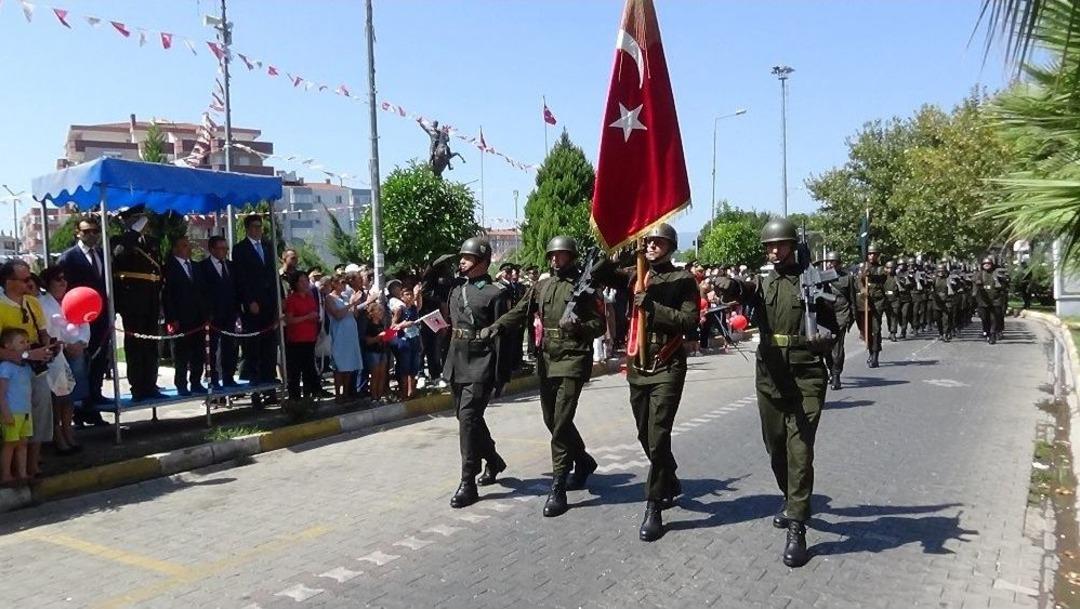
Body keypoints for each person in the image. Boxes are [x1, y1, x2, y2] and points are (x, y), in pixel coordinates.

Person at [713, 217, 840, 568]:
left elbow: (837, 319)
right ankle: (791, 499)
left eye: (779, 245)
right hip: (770, 372)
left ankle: (797, 525)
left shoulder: (813, 281)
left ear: (792, 246)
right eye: (769, 246)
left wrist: (827, 337)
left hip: (806, 373)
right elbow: (746, 290)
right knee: (775, 446)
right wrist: (730, 285)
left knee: (800, 448)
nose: (773, 251)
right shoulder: (765, 282)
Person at [482, 236, 605, 517]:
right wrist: (497, 327)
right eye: (552, 255)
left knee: (561, 423)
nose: (554, 260)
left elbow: (600, 325)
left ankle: (558, 485)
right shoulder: (542, 285)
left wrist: (579, 326)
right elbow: (519, 311)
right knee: (551, 420)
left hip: (573, 358)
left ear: (571, 257)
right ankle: (583, 461)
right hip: (547, 358)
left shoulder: (585, 288)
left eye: (560, 256)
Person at [594, 224, 699, 541]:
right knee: (644, 432)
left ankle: (654, 505)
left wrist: (651, 305)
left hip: (667, 361)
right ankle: (668, 474)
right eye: (649, 241)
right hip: (638, 362)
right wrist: (622, 249)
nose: (652, 246)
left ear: (670, 246)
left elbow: (690, 321)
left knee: (658, 433)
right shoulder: (634, 273)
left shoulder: (683, 279)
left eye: (658, 241)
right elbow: (600, 273)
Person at [444, 237, 512, 509]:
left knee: (469, 419)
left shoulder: (496, 293)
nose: (462, 261)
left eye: (468, 257)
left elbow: (503, 338)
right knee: (466, 418)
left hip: (481, 363)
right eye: (461, 257)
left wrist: (501, 374)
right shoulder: (455, 290)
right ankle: (493, 460)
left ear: (482, 262)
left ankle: (467, 481)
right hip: (457, 360)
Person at [0, 260, 58, 479]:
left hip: (35, 370)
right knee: (12, 421)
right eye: (24, 279)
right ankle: (10, 472)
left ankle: (32, 466)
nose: (29, 282)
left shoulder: (33, 303)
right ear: (9, 282)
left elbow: (42, 332)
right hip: (9, 375)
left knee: (39, 417)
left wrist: (48, 345)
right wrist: (26, 355)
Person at [57, 215, 110, 425]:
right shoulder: (69, 257)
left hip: (100, 317)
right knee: (80, 365)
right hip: (77, 320)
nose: (92, 235)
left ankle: (94, 402)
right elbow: (62, 289)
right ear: (77, 233)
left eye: (95, 231)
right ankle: (79, 411)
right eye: (87, 231)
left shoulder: (102, 255)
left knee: (98, 362)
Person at [112, 206, 164, 401]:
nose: (143, 222)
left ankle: (150, 384)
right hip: (132, 301)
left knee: (151, 345)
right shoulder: (120, 241)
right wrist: (132, 233)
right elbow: (119, 255)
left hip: (151, 298)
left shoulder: (151, 242)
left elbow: (157, 272)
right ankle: (138, 386)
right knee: (135, 345)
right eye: (137, 219)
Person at [232, 214, 280, 407]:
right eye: (255, 226)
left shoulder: (268, 247)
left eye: (260, 226)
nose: (258, 230)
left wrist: (279, 301)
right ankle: (255, 391)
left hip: (269, 304)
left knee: (269, 349)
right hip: (253, 306)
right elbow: (241, 278)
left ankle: (269, 388)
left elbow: (273, 274)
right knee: (253, 350)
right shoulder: (240, 249)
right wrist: (249, 300)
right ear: (247, 228)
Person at [39, 267, 87, 454]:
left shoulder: (73, 299)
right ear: (48, 282)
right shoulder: (42, 303)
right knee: (57, 399)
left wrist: (81, 342)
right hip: (55, 355)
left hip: (75, 353)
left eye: (65, 279)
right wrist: (67, 344)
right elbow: (48, 331)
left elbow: (84, 323)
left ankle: (69, 430)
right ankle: (58, 435)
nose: (62, 282)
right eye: (58, 279)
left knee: (70, 398)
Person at [162, 236, 208, 396]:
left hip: (198, 318)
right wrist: (171, 318)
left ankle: (196, 382)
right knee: (181, 354)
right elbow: (167, 296)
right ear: (175, 249)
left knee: (198, 352)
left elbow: (203, 291)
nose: (188, 249)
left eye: (189, 246)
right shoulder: (169, 268)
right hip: (180, 319)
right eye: (184, 246)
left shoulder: (195, 267)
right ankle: (181, 384)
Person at [199, 236, 240, 389]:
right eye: (220, 248)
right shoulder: (203, 267)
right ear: (212, 249)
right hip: (212, 315)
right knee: (212, 348)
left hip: (229, 313)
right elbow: (202, 293)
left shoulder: (231, 266)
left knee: (230, 347)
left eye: (225, 248)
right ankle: (213, 378)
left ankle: (229, 376)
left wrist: (237, 312)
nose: (224, 251)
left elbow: (235, 289)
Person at [0, 328, 34, 486]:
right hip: (12, 412)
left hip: (25, 411)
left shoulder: (26, 367)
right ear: (7, 346)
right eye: (21, 342)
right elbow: (1, 392)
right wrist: (5, 412)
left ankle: (22, 473)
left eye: (27, 342)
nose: (26, 345)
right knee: (10, 444)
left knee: (23, 443)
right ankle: (6, 474)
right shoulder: (5, 367)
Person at [282, 271, 321, 400]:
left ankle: (309, 395)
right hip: (296, 340)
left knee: (309, 369)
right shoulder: (292, 299)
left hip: (310, 338)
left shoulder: (310, 298)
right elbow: (289, 320)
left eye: (306, 281)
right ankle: (295, 398)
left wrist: (314, 318)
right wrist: (306, 317)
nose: (305, 284)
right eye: (301, 281)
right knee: (295, 370)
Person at [325, 276, 363, 402]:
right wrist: (352, 303)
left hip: (350, 334)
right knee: (339, 365)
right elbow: (337, 315)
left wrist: (355, 304)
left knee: (349, 364)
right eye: (341, 283)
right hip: (339, 334)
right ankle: (338, 394)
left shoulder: (346, 297)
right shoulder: (329, 298)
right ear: (334, 284)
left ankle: (346, 392)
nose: (343, 286)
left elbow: (354, 314)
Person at [820, 252, 854, 390]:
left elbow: (852, 298)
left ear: (839, 263)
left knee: (837, 348)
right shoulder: (821, 277)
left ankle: (836, 375)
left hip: (842, 314)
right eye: (828, 261)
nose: (829, 264)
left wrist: (853, 317)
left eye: (833, 261)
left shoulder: (847, 278)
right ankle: (830, 370)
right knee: (826, 347)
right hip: (826, 314)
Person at [854, 243, 887, 368]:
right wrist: (862, 287)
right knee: (866, 330)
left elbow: (882, 279)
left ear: (878, 255)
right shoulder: (863, 267)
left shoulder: (881, 269)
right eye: (870, 254)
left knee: (876, 329)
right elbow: (858, 281)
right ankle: (870, 351)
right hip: (865, 302)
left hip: (877, 301)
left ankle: (875, 355)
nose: (871, 256)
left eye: (874, 254)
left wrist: (871, 276)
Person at [391, 287, 423, 399]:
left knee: (414, 367)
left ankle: (411, 392)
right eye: (406, 294)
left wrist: (418, 293)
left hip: (414, 339)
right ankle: (403, 392)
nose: (409, 296)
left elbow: (419, 304)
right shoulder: (399, 309)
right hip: (403, 340)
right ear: (402, 297)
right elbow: (391, 329)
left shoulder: (414, 308)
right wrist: (402, 325)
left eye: (410, 294)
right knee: (405, 368)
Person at [974, 257, 1007, 344]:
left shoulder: (997, 273)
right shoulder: (979, 274)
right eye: (985, 264)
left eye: (988, 263)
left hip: (995, 299)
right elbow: (974, 283)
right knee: (984, 318)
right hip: (983, 300)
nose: (987, 265)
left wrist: (1001, 283)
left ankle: (992, 334)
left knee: (994, 318)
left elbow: (1005, 283)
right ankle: (987, 331)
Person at [362, 300, 389, 401]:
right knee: (375, 375)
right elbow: (368, 341)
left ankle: (379, 396)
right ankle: (373, 397)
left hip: (382, 351)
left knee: (382, 374)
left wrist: (390, 334)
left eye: (381, 311)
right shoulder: (369, 325)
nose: (381, 313)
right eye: (379, 311)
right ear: (372, 313)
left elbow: (385, 338)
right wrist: (378, 337)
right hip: (373, 352)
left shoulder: (381, 325)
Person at [932, 263, 956, 341]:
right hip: (937, 301)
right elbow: (930, 288)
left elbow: (955, 288)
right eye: (939, 271)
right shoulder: (934, 279)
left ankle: (946, 333)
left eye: (942, 270)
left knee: (946, 318)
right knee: (937, 318)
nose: (940, 272)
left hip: (947, 301)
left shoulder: (949, 279)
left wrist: (951, 285)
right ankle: (941, 333)